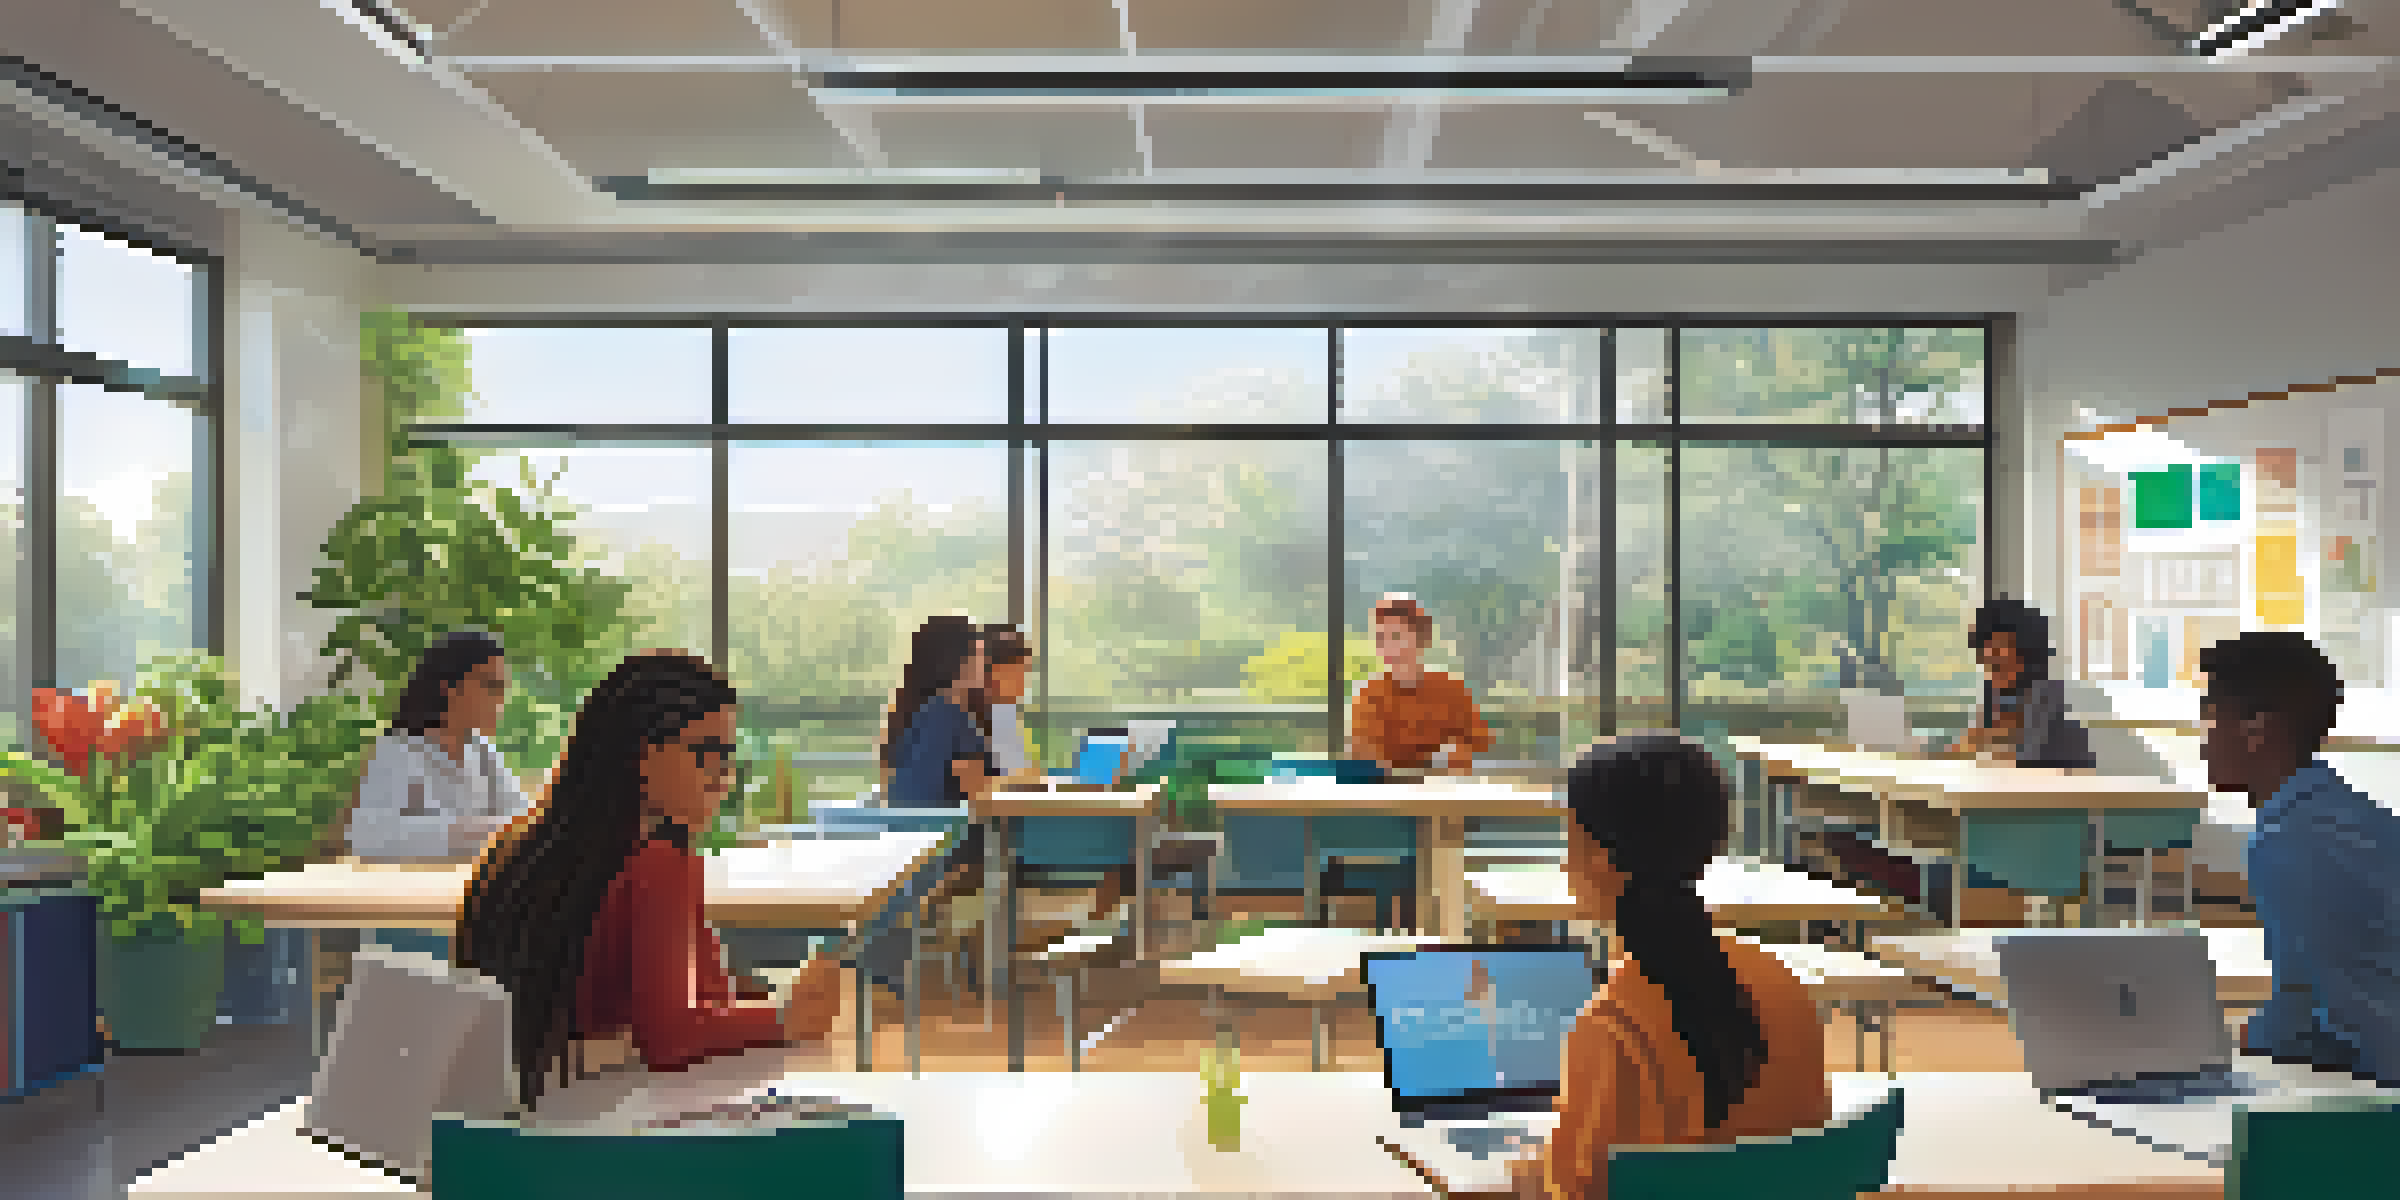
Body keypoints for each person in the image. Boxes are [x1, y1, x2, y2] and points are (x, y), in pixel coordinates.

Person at [456, 651, 844, 1111]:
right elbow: (670, 1037)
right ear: (641, 754)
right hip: (609, 1126)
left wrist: (763, 1002)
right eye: (706, 754)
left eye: (729, 757)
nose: (724, 776)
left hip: (509, 1124)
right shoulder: (658, 863)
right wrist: (785, 1018)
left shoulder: (517, 846)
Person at [1514, 734, 1831, 1200]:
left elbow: (1579, 1191)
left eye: (1570, 840)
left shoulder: (1611, 1028)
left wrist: (1522, 1179)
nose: (1565, 862)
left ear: (1600, 859)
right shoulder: (1780, 982)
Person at [2198, 632, 2400, 1085]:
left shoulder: (2290, 840)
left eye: (2209, 720)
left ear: (2256, 730)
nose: (2204, 743)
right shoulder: (2347, 814)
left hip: (2367, 1096)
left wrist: (2217, 1050)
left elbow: (2323, 1021)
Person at [348, 630, 531, 862]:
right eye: (490, 686)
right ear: (449, 687)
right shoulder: (398, 752)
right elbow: (369, 838)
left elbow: (522, 817)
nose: (500, 701)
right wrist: (474, 832)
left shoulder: (483, 753)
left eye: (503, 689)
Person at [1351, 594, 1494, 773]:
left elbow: (1478, 745)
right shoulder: (1369, 696)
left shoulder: (1452, 690)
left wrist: (1453, 756)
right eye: (1381, 637)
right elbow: (1365, 759)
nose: (1387, 646)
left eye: (1395, 636)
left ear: (1421, 639)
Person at [1948, 597, 2095, 769]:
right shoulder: (1995, 693)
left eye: (1999, 652)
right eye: (1988, 661)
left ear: (2026, 652)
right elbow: (1968, 745)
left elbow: (2024, 758)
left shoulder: (2047, 694)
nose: (1989, 660)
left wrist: (1991, 738)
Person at [883, 615, 994, 808]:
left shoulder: (908, 714)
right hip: (942, 826)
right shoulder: (955, 717)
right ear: (961, 661)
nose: (984, 664)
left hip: (900, 825)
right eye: (979, 655)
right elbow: (980, 798)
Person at [973, 623, 1039, 778]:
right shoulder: (992, 714)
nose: (1025, 681)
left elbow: (1019, 772)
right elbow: (1012, 777)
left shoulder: (1005, 710)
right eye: (1021, 670)